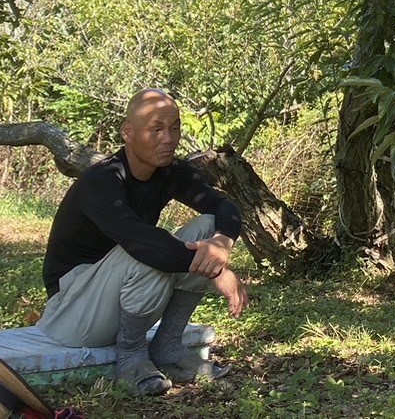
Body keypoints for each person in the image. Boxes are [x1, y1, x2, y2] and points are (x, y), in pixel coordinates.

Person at [37, 88, 249, 396]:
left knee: (207, 227)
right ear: (128, 133)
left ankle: (168, 347)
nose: (169, 138)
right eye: (156, 129)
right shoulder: (103, 180)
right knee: (146, 248)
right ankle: (131, 357)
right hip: (71, 314)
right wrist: (217, 271)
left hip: (117, 298)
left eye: (174, 127)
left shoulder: (170, 171)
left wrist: (221, 245)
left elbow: (224, 207)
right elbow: (140, 242)